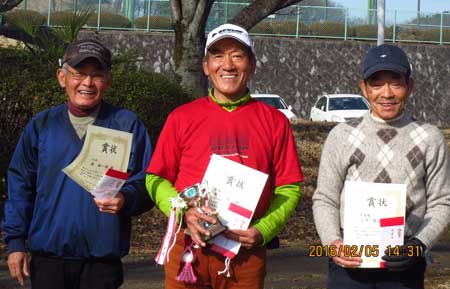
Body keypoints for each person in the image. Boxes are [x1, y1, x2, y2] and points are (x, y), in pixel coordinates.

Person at [146, 23, 303, 289]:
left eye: (238, 56)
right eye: (218, 55)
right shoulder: (182, 117)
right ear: (206, 66)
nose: (227, 65)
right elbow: (156, 178)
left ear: (252, 64)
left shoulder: (274, 121)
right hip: (188, 252)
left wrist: (263, 230)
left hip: (244, 255)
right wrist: (184, 213)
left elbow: (289, 188)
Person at [3, 39, 153, 289]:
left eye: (97, 75)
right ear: (62, 77)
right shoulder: (42, 126)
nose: (87, 83)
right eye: (79, 74)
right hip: (49, 259)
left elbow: (147, 180)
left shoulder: (126, 124)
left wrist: (126, 198)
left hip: (101, 260)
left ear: (108, 80)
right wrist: (16, 242)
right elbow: (20, 186)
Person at [312, 44, 450, 289]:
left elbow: (442, 201)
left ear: (410, 86)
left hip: (404, 263)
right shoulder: (341, 135)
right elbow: (325, 198)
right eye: (376, 84)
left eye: (396, 83)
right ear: (364, 88)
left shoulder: (430, 137)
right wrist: (332, 243)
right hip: (349, 261)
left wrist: (419, 244)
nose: (386, 93)